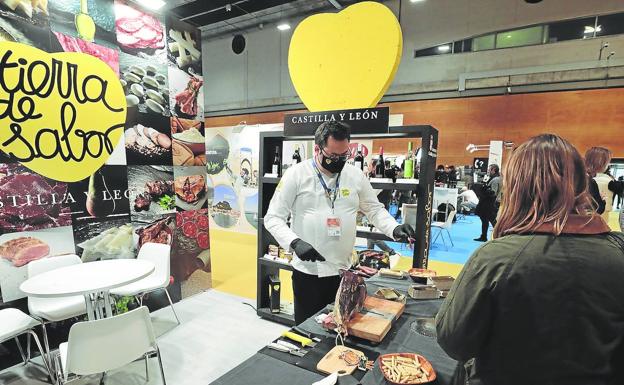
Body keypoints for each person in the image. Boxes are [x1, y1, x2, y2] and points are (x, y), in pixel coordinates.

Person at [436, 134, 624, 385]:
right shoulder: (618, 251)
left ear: (516, 186)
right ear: (580, 183)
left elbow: (454, 341)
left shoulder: (496, 258)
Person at [264, 121, 415, 324]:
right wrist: (294, 242)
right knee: (309, 330)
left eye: (344, 156)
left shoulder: (354, 175)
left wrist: (394, 227)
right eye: (333, 156)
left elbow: (374, 209)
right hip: (309, 274)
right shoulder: (297, 175)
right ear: (317, 148)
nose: (339, 161)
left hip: (344, 273)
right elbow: (273, 218)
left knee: (342, 326)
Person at [473, 164, 501, 241]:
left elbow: (493, 193)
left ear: (494, 170)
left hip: (489, 203)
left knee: (492, 220)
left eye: (489, 170)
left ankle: (499, 236)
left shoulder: (495, 180)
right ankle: (484, 236)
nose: (488, 171)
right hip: (490, 203)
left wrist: (484, 189)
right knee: (485, 219)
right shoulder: (497, 178)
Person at [585, 147, 612, 221]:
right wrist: (602, 200)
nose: (608, 165)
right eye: (607, 162)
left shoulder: (582, 176)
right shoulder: (589, 181)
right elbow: (597, 209)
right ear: (600, 162)